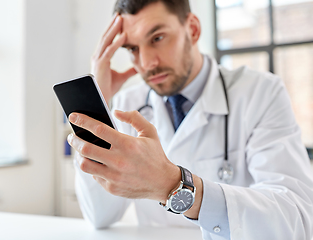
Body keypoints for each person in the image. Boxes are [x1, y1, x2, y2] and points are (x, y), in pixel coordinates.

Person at [67, 0, 313, 239]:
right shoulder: (126, 104)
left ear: (193, 30)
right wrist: (97, 106)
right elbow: (99, 215)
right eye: (132, 48)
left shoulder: (260, 92)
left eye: (157, 38)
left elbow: (297, 217)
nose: (146, 63)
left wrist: (171, 185)